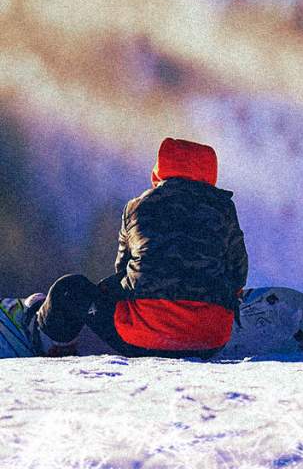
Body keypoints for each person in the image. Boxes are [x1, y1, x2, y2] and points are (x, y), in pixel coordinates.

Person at [30, 137, 248, 358]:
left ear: (161, 168)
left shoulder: (137, 207)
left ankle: (46, 339)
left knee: (69, 288)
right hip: (209, 339)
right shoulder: (224, 209)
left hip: (141, 337)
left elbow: (123, 271)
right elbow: (238, 273)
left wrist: (105, 294)